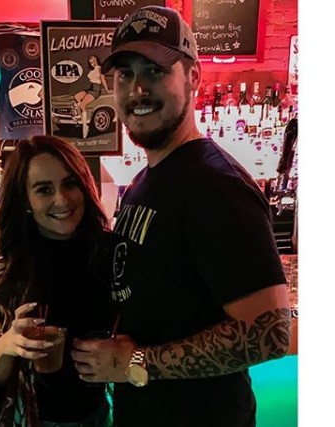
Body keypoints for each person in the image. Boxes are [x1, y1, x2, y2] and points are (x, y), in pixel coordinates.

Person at [71, 6, 291, 427]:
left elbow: (270, 333)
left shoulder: (215, 187)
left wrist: (137, 361)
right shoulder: (143, 182)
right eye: (124, 75)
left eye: (154, 71)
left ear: (193, 77)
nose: (137, 89)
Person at [0, 135, 117, 427]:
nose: (61, 199)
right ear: (25, 200)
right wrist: (6, 346)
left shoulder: (112, 257)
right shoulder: (2, 278)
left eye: (70, 183)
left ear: (85, 186)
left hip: (101, 417)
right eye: (44, 189)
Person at [74, 54, 111, 139]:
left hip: (96, 90)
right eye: (90, 62)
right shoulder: (92, 70)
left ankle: (85, 127)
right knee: (76, 97)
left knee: (83, 105)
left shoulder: (100, 69)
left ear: (96, 60)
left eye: (93, 61)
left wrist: (107, 90)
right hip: (90, 88)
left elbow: (103, 80)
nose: (92, 64)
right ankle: (79, 114)